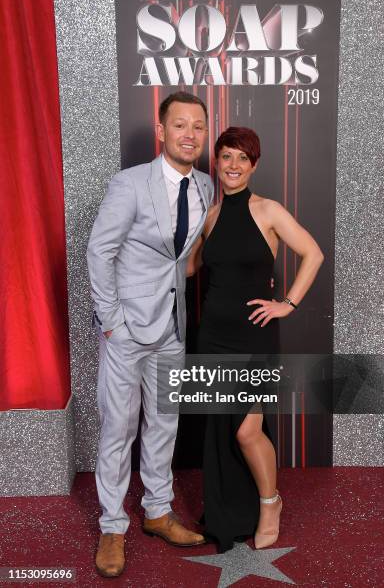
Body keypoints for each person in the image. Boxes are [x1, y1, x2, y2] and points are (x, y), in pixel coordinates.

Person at [87, 91, 214, 577]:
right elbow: (100, 252)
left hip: (173, 325)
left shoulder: (204, 185)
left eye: (198, 127)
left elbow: (183, 259)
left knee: (164, 422)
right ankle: (113, 525)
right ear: (161, 132)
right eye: (180, 125)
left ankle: (157, 511)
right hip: (127, 329)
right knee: (118, 426)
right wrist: (111, 320)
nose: (189, 134)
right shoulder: (130, 183)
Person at [187, 126, 324, 553]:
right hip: (211, 337)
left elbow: (313, 253)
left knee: (247, 430)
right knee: (219, 430)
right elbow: (189, 268)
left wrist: (287, 303)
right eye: (226, 156)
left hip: (254, 336)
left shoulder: (268, 210)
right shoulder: (208, 216)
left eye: (242, 158)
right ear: (217, 162)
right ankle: (230, 511)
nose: (232, 165)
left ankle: (270, 503)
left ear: (254, 165)